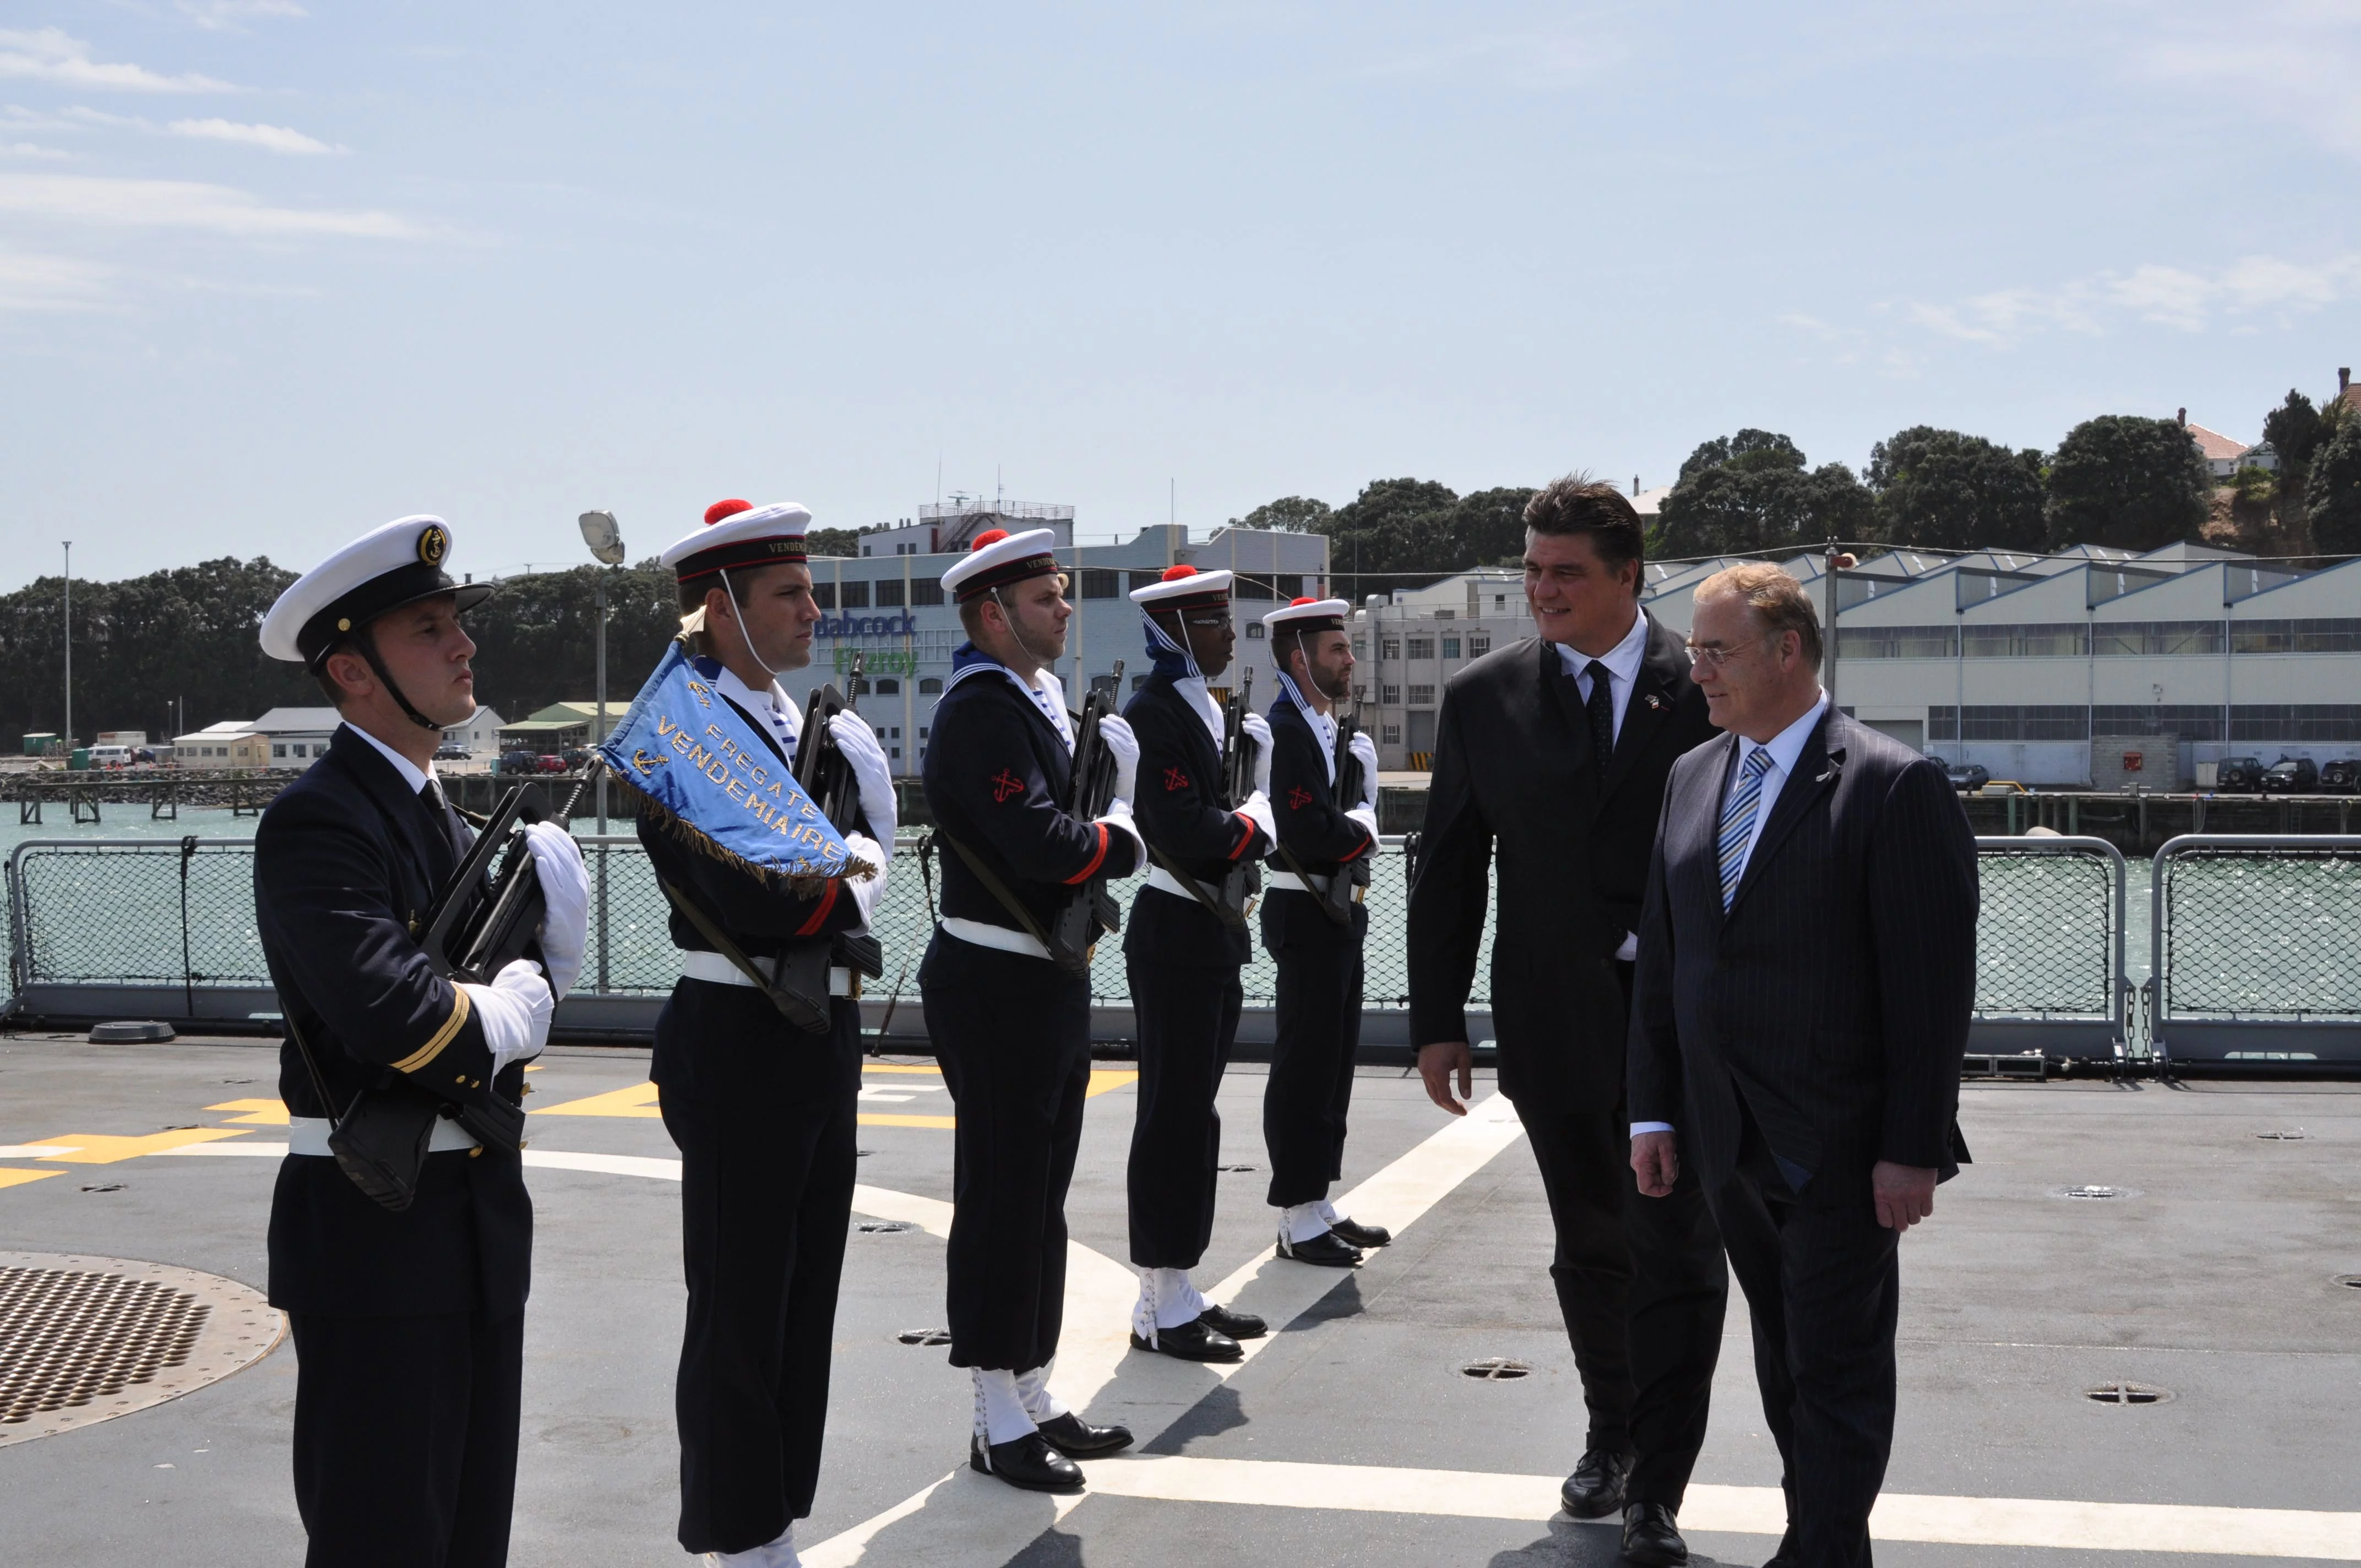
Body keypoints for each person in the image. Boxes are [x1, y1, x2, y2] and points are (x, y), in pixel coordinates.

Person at [254, 515, 589, 1568]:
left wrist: (542, 956)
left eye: (456, 623)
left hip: (471, 1224)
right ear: (351, 669)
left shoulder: (440, 814)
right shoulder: (319, 819)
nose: (462, 646)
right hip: (373, 1234)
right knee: (383, 1537)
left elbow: (492, 1001)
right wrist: (506, 1009)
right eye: (428, 628)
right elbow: (393, 1011)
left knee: (467, 1536)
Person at [1629, 562, 1977, 1568]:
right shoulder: (1691, 775)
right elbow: (1668, 959)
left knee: (1835, 1365)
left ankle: (1823, 1550)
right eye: (1693, 649)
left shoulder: (1888, 783)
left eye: (1715, 650)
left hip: (1841, 1144)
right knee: (1783, 1356)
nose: (1696, 671)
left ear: (1787, 651)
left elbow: (1928, 992)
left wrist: (1910, 1147)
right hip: (1724, 1139)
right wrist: (1653, 1113)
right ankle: (1817, 1536)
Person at [1407, 478, 1728, 1565]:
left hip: (1685, 1028)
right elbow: (1448, 863)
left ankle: (1659, 1484)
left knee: (1677, 1246)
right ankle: (1611, 1430)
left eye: (1565, 573)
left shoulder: (1707, 686)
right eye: (1532, 571)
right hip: (1551, 1023)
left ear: (1627, 573)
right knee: (1589, 1239)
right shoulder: (1482, 697)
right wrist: (1437, 1015)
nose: (1541, 590)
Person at [645, 499, 899, 1568]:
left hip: (813, 1032)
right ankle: (740, 1536)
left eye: (808, 587)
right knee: (741, 1306)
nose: (814, 608)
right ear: (720, 606)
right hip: (738, 1035)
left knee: (804, 1297)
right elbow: (767, 886)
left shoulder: (792, 719)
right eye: (788, 592)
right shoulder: (679, 717)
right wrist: (853, 855)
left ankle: (775, 1520)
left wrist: (856, 835)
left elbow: (832, 878)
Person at [920, 527, 1145, 1492]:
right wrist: (1119, 832)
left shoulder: (1031, 705)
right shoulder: (980, 711)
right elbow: (1042, 841)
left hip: (1042, 977)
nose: (1062, 610)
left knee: (1038, 1196)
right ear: (990, 614)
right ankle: (992, 1414)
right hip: (993, 983)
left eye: (1058, 593)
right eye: (1046, 597)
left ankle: (1033, 1383)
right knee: (1002, 1196)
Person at [1120, 564, 1278, 1363]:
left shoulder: (1204, 709)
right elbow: (1185, 827)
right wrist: (1255, 820)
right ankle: (1158, 1297)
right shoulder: (1153, 711)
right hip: (1175, 930)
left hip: (1209, 929)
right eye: (1213, 620)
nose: (1228, 632)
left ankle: (1180, 1280)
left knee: (1197, 1115)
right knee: (1172, 1116)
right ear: (1175, 629)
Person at [1257, 596, 1388, 1266]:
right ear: (1298, 656)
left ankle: (1316, 1198)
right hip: (1303, 908)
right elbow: (1307, 830)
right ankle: (1295, 1211)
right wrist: (1364, 818)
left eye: (1347, 647)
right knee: (1305, 1061)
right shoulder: (1285, 727)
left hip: (1335, 909)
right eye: (1335, 649)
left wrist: (1360, 797)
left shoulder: (1322, 726)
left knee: (1334, 1061)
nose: (1349, 658)